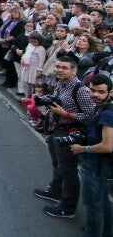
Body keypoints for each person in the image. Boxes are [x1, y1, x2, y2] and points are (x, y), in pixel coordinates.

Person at [34, 55, 96, 218]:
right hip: (56, 129)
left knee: (68, 170)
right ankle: (55, 191)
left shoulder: (80, 89)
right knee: (58, 164)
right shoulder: (61, 84)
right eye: (58, 67)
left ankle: (67, 208)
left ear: (74, 70)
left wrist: (66, 114)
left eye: (64, 68)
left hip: (69, 132)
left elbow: (90, 116)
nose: (59, 70)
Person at [69, 74, 113, 237]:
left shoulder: (108, 113)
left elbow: (107, 146)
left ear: (110, 92)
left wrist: (82, 149)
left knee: (93, 205)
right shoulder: (101, 108)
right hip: (99, 166)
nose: (95, 95)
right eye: (92, 90)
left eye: (100, 92)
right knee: (103, 202)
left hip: (96, 166)